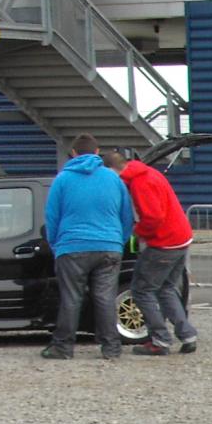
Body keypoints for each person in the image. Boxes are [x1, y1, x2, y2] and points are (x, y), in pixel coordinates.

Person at [41, 134, 136, 360]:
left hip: (72, 246)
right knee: (105, 297)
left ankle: (63, 347)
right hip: (109, 246)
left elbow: (52, 217)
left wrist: (56, 245)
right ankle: (111, 348)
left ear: (73, 153)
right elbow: (127, 216)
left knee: (72, 298)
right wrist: (118, 240)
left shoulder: (63, 179)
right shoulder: (113, 179)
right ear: (97, 152)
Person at [103, 148, 198, 356]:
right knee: (166, 288)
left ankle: (160, 339)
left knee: (142, 290)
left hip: (164, 242)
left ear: (112, 170)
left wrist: (138, 232)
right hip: (181, 237)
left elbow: (153, 217)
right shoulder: (149, 173)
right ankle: (187, 335)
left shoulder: (140, 183)